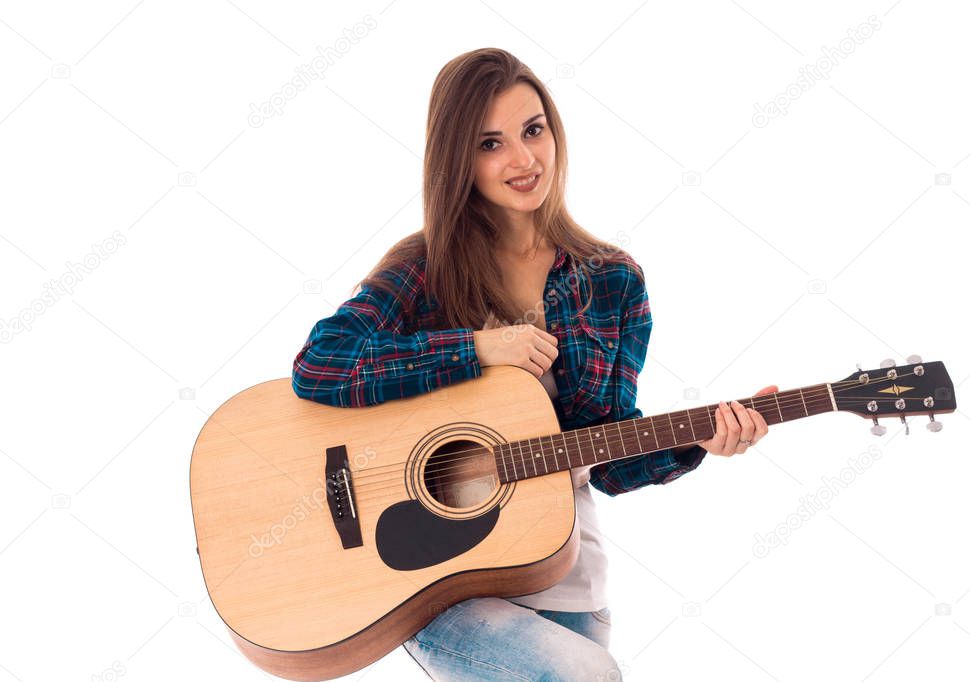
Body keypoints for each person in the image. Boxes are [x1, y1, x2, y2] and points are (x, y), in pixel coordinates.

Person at [292, 47, 776, 681]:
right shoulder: (425, 268)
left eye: (533, 130)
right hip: (439, 584)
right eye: (491, 144)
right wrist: (476, 348)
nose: (523, 160)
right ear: (457, 160)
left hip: (567, 573)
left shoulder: (613, 282)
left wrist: (699, 441)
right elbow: (323, 365)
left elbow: (606, 462)